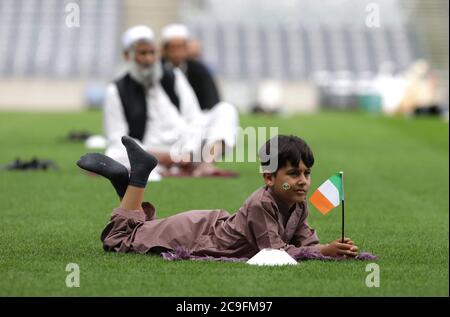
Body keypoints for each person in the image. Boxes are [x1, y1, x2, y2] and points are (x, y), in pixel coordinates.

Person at [76, 134, 359, 260]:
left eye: (307, 174)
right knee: (120, 241)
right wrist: (321, 252)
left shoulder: (298, 204)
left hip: (209, 226)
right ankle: (138, 176)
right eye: (294, 174)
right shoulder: (262, 203)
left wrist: (331, 250)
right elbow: (274, 253)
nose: (303, 181)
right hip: (195, 235)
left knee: (136, 232)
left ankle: (125, 186)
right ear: (269, 178)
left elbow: (306, 242)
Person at [103, 25, 238, 179]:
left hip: (186, 147)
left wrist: (187, 151)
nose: (148, 59)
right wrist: (161, 156)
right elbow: (117, 137)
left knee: (226, 110)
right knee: (114, 154)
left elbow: (194, 118)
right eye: (142, 53)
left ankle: (205, 165)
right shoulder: (116, 90)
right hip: (150, 151)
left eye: (151, 53)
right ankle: (164, 166)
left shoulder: (174, 77)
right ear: (128, 56)